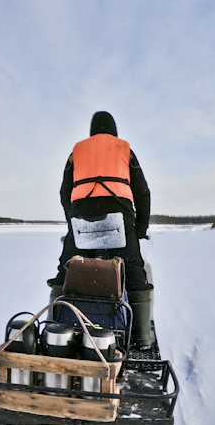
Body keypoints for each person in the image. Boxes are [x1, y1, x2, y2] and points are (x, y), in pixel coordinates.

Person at [48, 111, 155, 348]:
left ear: (91, 131)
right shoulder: (124, 149)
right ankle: (142, 338)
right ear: (113, 130)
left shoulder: (76, 152)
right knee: (135, 274)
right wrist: (139, 229)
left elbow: (64, 193)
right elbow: (143, 192)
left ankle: (51, 329)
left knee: (65, 270)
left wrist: (73, 223)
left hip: (81, 220)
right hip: (120, 219)